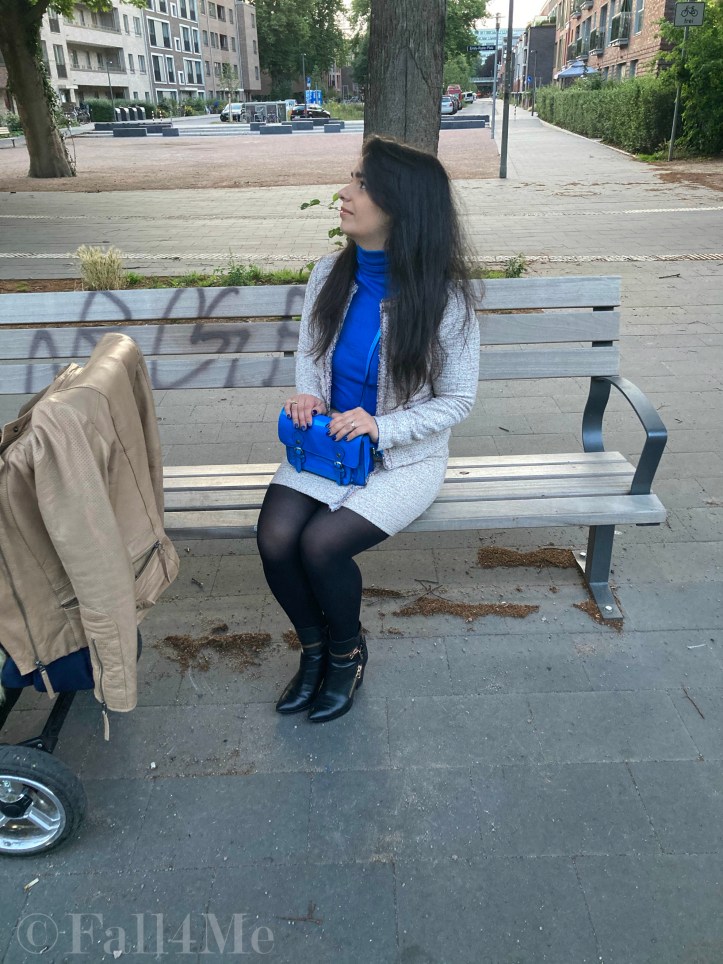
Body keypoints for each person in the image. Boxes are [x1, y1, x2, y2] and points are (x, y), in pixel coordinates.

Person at [256, 134, 481, 723]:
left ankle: (346, 654)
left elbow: (458, 400)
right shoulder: (329, 273)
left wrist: (382, 428)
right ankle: (312, 652)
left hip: (404, 459)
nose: (343, 192)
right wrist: (309, 393)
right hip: (328, 447)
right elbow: (311, 353)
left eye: (360, 184)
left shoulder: (444, 298)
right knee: (275, 540)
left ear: (400, 205)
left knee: (321, 546)